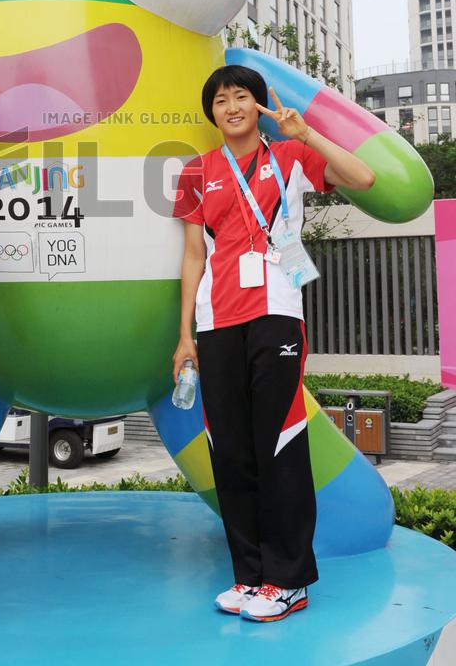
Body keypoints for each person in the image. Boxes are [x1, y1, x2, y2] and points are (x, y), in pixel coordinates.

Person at [172, 65, 375, 623]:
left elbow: (363, 179)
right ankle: (250, 576)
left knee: (280, 444)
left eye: (242, 97)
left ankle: (287, 580)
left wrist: (304, 133)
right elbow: (193, 256)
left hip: (275, 316)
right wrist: (184, 336)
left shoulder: (288, 156)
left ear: (260, 106)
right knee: (229, 450)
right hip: (215, 322)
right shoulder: (197, 171)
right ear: (210, 111)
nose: (231, 106)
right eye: (220, 99)